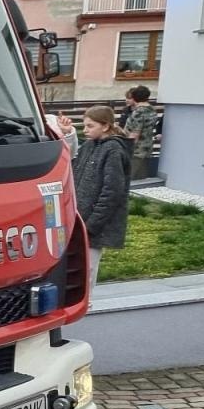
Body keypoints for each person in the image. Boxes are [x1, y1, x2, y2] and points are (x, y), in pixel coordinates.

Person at [73, 105, 133, 290]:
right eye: (84, 126)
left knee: (88, 267)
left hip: (94, 223)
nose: (85, 130)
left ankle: (86, 302)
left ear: (105, 126)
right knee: (78, 265)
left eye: (90, 126)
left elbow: (112, 192)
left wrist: (92, 225)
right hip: (80, 219)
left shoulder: (113, 150)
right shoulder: (89, 146)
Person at [122, 85, 159, 181]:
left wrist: (127, 149)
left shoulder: (138, 112)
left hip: (136, 150)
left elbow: (135, 134)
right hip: (147, 146)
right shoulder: (152, 110)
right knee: (141, 178)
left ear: (134, 98)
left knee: (130, 178)